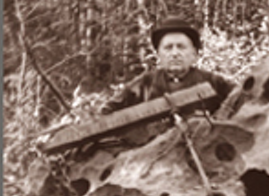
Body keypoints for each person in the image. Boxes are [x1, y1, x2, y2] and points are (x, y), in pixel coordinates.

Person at [102, 16, 237, 123]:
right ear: (158, 55)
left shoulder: (212, 82)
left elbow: (241, 98)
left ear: (194, 54)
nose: (175, 53)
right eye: (168, 48)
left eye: (181, 47)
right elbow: (109, 110)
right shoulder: (145, 83)